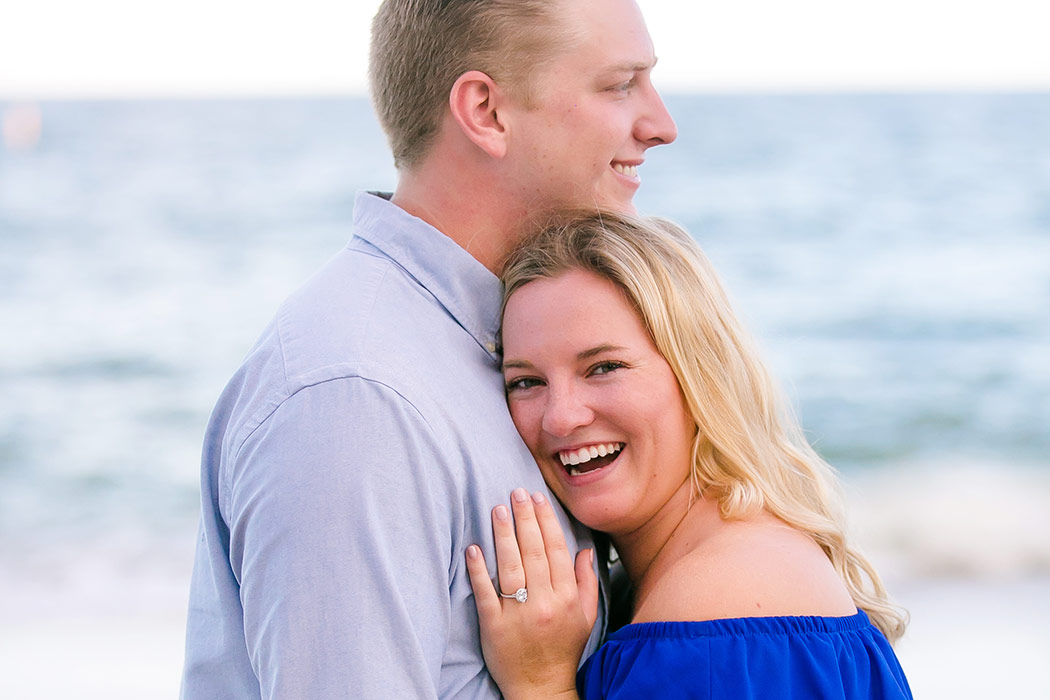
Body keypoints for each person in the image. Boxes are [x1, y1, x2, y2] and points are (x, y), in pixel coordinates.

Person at [180, 0, 676, 697]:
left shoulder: (504, 344)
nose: (661, 126)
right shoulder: (356, 398)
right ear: (486, 112)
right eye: (620, 85)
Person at [465, 211, 912, 699]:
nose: (560, 417)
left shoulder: (723, 602)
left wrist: (541, 685)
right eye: (526, 382)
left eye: (604, 367)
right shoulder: (671, 579)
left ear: (699, 375)